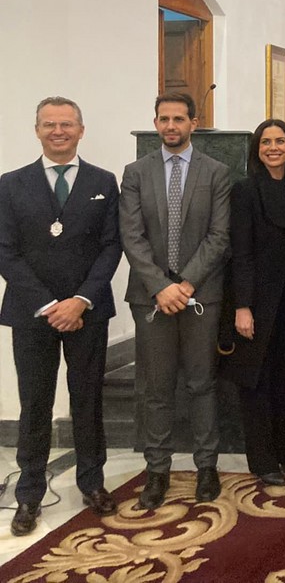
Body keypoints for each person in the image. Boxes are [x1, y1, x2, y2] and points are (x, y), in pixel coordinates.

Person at [0, 97, 122, 536]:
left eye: (66, 124)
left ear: (81, 130)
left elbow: (112, 246)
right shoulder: (10, 184)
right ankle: (29, 494)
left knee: (87, 399)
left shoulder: (103, 182)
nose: (58, 131)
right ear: (36, 130)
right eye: (49, 124)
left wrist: (81, 300)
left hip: (87, 312)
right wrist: (50, 305)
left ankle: (93, 483)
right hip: (33, 314)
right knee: (36, 403)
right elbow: (5, 251)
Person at [120, 92, 231, 510]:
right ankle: (157, 470)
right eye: (163, 119)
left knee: (202, 384)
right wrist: (159, 286)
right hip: (150, 298)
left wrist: (184, 284)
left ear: (193, 123)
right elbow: (131, 235)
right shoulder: (135, 172)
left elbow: (219, 236)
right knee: (156, 388)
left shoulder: (216, 172)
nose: (170, 126)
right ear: (155, 122)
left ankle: (206, 466)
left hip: (201, 295)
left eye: (178, 119)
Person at [220, 120, 285, 487]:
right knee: (257, 381)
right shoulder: (244, 190)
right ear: (257, 149)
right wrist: (242, 306)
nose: (274, 147)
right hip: (256, 299)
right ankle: (262, 458)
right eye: (266, 142)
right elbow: (240, 251)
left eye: (280, 141)